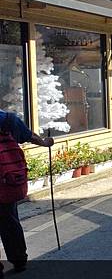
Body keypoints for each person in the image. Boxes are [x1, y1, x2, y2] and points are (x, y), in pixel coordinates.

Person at [0, 110, 53, 276]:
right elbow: (29, 136)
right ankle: (19, 260)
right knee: (9, 220)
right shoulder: (7, 119)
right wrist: (45, 143)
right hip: (6, 180)